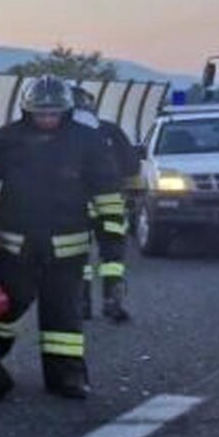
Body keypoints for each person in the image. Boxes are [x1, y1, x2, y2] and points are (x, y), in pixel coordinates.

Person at [0, 75, 123, 399]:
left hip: (67, 247)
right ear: (26, 110)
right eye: (40, 113)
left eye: (53, 113)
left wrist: (112, 242)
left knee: (63, 314)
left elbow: (107, 194)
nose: (47, 119)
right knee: (7, 306)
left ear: (66, 111)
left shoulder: (87, 141)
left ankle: (67, 377)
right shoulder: (5, 139)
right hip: (14, 244)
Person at [72, 86, 141, 323]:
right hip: (110, 203)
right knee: (112, 254)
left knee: (78, 254)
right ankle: (113, 301)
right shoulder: (110, 131)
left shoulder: (58, 136)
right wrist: (132, 192)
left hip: (73, 205)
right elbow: (132, 166)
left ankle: (82, 304)